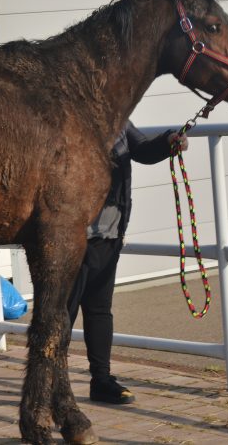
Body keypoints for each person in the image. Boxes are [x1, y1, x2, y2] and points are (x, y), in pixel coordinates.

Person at [67, 121, 188, 405]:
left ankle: (101, 380)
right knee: (62, 312)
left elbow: (142, 149)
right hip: (72, 236)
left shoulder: (118, 113)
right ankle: (49, 381)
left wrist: (169, 142)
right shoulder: (72, 112)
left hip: (109, 232)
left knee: (99, 310)